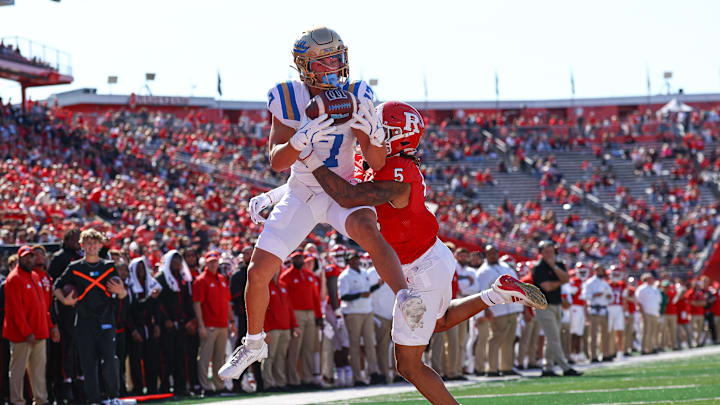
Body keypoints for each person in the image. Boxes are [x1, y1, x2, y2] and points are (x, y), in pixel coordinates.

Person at [290, 100, 548, 403]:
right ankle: (498, 293)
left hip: (421, 267)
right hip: (427, 259)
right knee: (438, 322)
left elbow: (348, 196)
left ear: (395, 134)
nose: (373, 135)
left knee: (409, 365)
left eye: (379, 129)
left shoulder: (399, 170)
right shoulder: (391, 164)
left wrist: (311, 160)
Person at [219, 26, 426, 381]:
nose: (335, 64)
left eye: (337, 56)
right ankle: (254, 344)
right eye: (325, 59)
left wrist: (372, 135)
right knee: (257, 272)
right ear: (305, 66)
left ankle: (406, 297)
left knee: (366, 228)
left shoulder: (358, 94)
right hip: (302, 191)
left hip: (342, 187)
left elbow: (376, 163)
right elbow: (277, 161)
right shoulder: (287, 96)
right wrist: (300, 139)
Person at [53, 229, 128, 405]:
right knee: (88, 363)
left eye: (95, 242)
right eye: (88, 243)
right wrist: (65, 300)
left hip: (106, 319)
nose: (92, 246)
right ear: (82, 245)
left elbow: (121, 293)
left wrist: (122, 292)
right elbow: (56, 285)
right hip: (84, 321)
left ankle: (113, 397)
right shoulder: (75, 267)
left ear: (100, 245)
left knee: (110, 359)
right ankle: (94, 399)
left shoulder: (109, 266)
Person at [3, 246, 51, 405]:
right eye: (25, 257)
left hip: (39, 332)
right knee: (17, 371)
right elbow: (15, 310)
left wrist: (47, 327)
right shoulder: (14, 278)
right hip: (21, 336)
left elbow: (43, 305)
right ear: (19, 258)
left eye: (31, 257)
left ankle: (41, 400)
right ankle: (17, 401)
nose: (29, 259)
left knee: (38, 371)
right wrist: (26, 332)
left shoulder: (35, 276)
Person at [532, 240, 582, 377]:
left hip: (557, 304)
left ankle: (547, 367)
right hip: (544, 305)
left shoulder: (558, 264)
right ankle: (565, 367)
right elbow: (547, 286)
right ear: (541, 253)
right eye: (546, 251)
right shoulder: (538, 267)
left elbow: (567, 278)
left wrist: (554, 268)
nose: (549, 254)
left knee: (551, 337)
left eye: (551, 251)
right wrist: (560, 280)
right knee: (554, 337)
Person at [476, 244, 523, 376]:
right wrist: (485, 310)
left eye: (495, 252)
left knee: (509, 339)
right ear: (485, 255)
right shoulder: (483, 271)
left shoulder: (505, 266)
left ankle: (506, 366)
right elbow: (480, 292)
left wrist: (520, 304)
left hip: (512, 307)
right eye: (490, 253)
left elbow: (516, 284)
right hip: (497, 309)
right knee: (496, 339)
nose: (493, 255)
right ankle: (491, 368)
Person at [338, 251, 383, 386]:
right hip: (353, 312)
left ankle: (373, 372)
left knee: (370, 343)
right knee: (355, 344)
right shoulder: (344, 276)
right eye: (352, 260)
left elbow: (367, 291)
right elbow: (343, 296)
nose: (355, 261)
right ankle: (357, 377)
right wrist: (359, 295)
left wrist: (378, 285)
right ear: (348, 261)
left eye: (357, 259)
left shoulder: (363, 273)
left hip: (367, 310)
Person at [279, 251, 323, 388]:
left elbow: (316, 297)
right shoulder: (286, 276)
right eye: (296, 258)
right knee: (294, 348)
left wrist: (319, 315)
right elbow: (286, 301)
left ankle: (308, 378)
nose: (299, 260)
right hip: (296, 314)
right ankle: (292, 379)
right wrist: (291, 319)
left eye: (300, 258)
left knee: (308, 348)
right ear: (291, 260)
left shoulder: (310, 276)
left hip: (310, 313)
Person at [193, 251, 233, 394]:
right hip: (209, 324)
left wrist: (232, 320)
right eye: (210, 262)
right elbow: (197, 304)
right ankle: (205, 386)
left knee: (219, 357)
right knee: (204, 357)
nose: (213, 264)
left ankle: (219, 386)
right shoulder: (201, 280)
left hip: (222, 324)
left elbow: (227, 302)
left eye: (215, 261)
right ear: (206, 263)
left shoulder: (222, 279)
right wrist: (201, 326)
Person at [155, 250, 193, 395]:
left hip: (181, 324)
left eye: (179, 260)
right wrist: (165, 320)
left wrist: (189, 319)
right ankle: (165, 387)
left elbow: (187, 301)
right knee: (167, 357)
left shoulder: (183, 278)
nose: (177, 263)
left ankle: (181, 387)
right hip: (167, 325)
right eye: (174, 260)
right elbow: (158, 302)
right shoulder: (161, 278)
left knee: (181, 356)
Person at [582, 264, 612, 362]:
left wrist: (609, 297)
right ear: (595, 271)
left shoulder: (605, 283)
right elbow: (585, 296)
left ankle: (605, 354)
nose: (601, 272)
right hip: (594, 309)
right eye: (599, 270)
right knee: (593, 334)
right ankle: (593, 356)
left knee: (605, 334)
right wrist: (595, 295)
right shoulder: (589, 283)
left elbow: (611, 296)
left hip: (604, 309)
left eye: (602, 270)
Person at [635, 273, 661, 354]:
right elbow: (638, 302)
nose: (652, 279)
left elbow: (658, 301)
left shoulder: (655, 289)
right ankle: (644, 349)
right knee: (646, 331)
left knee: (653, 331)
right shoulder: (641, 289)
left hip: (655, 312)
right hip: (646, 312)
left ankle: (652, 347)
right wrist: (642, 313)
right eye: (650, 278)